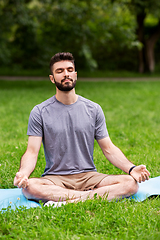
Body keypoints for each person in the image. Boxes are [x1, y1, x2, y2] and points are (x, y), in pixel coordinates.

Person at [14, 52, 150, 204]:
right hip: (55, 179)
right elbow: (32, 152)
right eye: (60, 71)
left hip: (89, 177)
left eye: (69, 69)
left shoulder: (94, 109)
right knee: (30, 187)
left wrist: (132, 169)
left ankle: (67, 200)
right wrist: (24, 173)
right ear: (52, 79)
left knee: (130, 183)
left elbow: (109, 149)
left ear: (76, 74)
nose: (66, 74)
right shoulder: (39, 112)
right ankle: (89, 197)